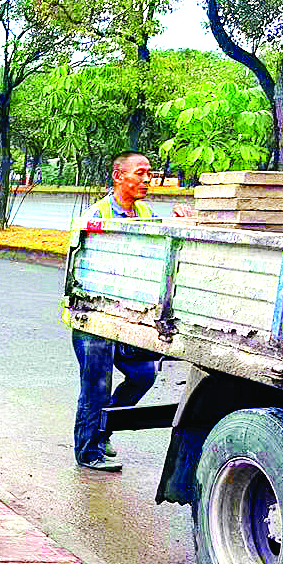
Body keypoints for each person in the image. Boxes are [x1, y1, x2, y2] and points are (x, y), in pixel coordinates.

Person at [72, 152, 192, 474]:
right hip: (96, 314)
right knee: (96, 385)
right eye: (140, 173)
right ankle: (88, 452)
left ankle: (102, 430)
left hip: (129, 314)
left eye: (149, 174)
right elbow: (86, 266)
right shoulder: (96, 214)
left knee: (144, 374)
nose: (146, 180)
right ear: (118, 176)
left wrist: (177, 226)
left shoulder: (146, 212)